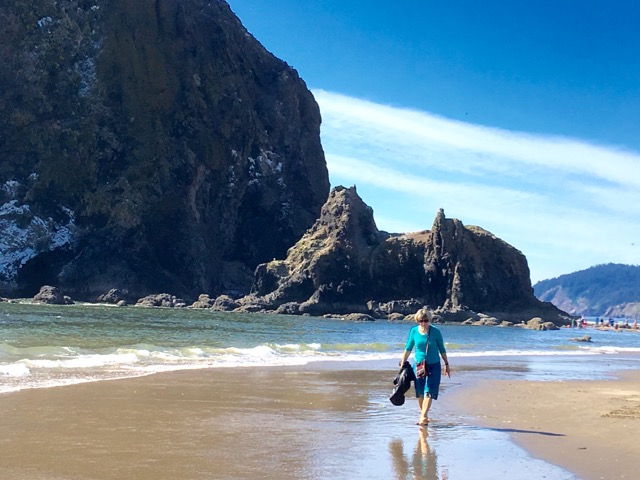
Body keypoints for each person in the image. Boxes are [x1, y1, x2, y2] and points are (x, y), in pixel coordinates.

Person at [400, 309, 450, 426]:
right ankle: (424, 415)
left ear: (429, 320)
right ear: (418, 320)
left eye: (426, 320)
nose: (423, 323)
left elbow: (442, 349)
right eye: (421, 321)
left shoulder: (435, 332)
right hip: (418, 365)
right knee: (420, 391)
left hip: (434, 365)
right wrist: (403, 363)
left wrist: (446, 364)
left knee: (429, 390)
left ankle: (422, 416)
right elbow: (408, 348)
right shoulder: (414, 331)